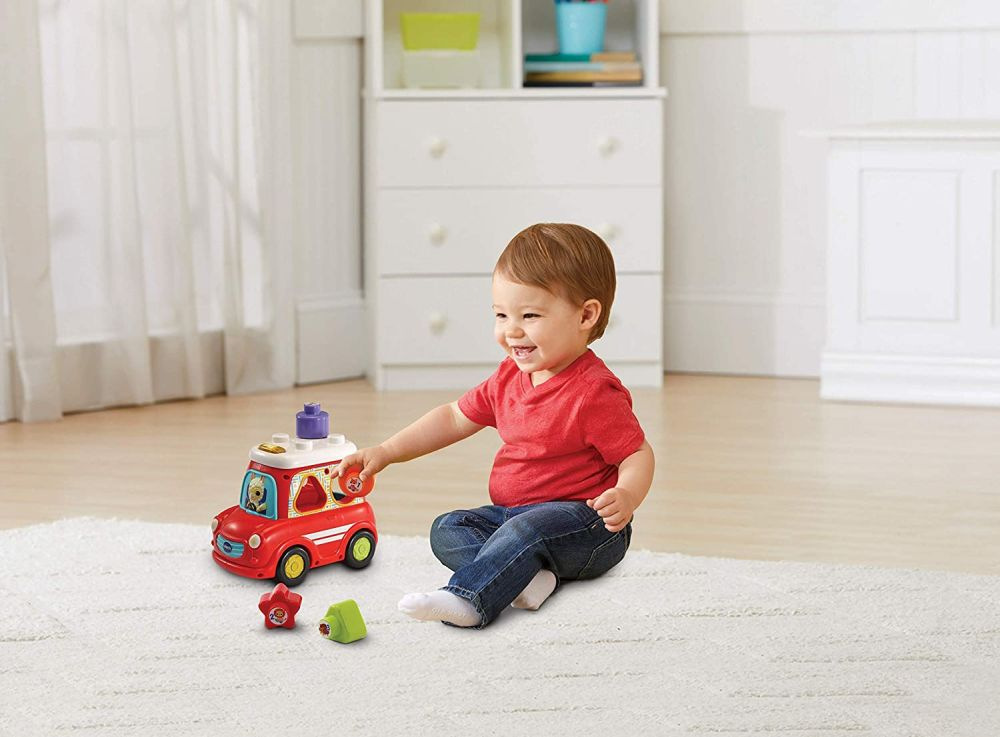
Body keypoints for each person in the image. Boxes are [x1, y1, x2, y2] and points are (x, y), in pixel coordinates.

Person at [333, 223, 655, 628]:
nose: (511, 330)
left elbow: (636, 453)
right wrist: (386, 452)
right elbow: (454, 417)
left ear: (586, 315)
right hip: (512, 517)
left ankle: (470, 599)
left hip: (588, 528)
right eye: (501, 315)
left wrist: (626, 494)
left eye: (530, 316)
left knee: (526, 530)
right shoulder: (508, 377)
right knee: (448, 528)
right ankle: (528, 577)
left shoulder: (593, 392)